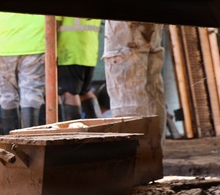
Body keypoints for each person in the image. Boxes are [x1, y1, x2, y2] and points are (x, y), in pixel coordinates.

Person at [0, 10, 46, 131]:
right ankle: (31, 142)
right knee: (31, 94)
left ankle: (12, 143)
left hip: (5, 48)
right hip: (36, 45)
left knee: (7, 96)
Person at [102, 20, 166, 149]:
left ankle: (134, 159)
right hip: (150, 19)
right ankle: (153, 157)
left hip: (125, 25)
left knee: (127, 95)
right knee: (152, 93)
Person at [56, 16, 102, 120]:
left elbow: (54, 24)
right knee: (84, 91)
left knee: (70, 92)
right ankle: (99, 126)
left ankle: (73, 133)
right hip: (88, 52)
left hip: (69, 51)